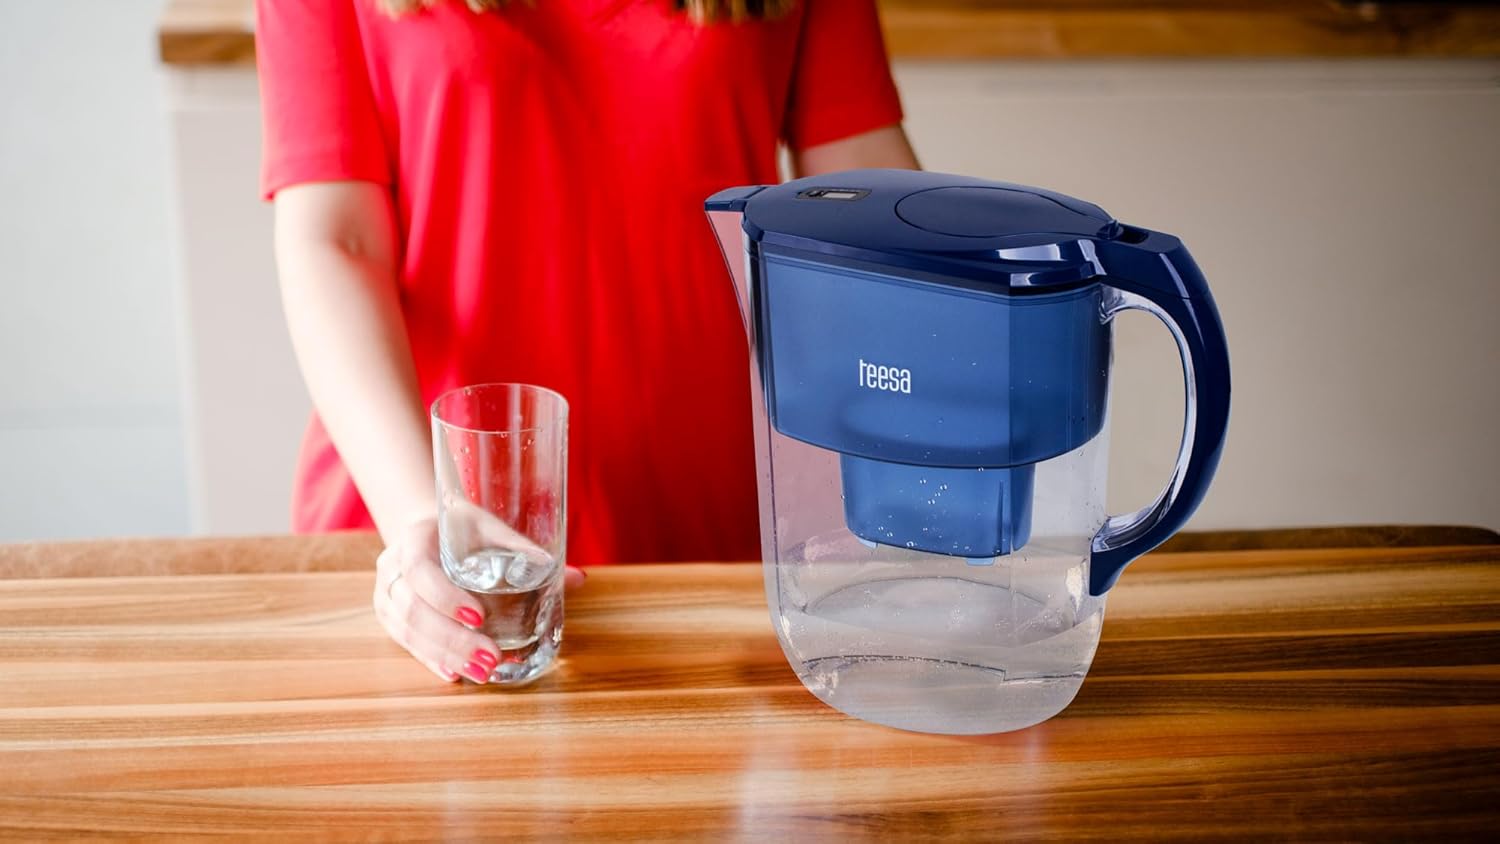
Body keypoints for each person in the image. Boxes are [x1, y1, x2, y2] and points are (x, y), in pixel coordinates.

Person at [256, 0, 919, 684]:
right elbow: (336, 240)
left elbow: (862, 195)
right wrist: (423, 516)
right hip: (421, 541)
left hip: (713, 534)